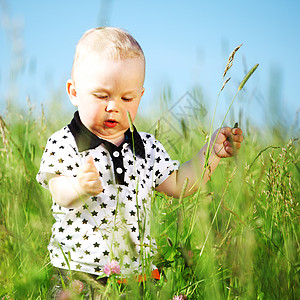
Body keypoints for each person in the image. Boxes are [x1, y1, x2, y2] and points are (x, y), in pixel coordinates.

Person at [36, 27, 243, 299]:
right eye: (102, 96)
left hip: (136, 277)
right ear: (74, 92)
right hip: (79, 276)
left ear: (140, 96)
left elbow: (180, 183)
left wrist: (211, 153)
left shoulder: (147, 147)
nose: (114, 106)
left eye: (127, 98)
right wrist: (78, 186)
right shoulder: (64, 142)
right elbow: (58, 192)